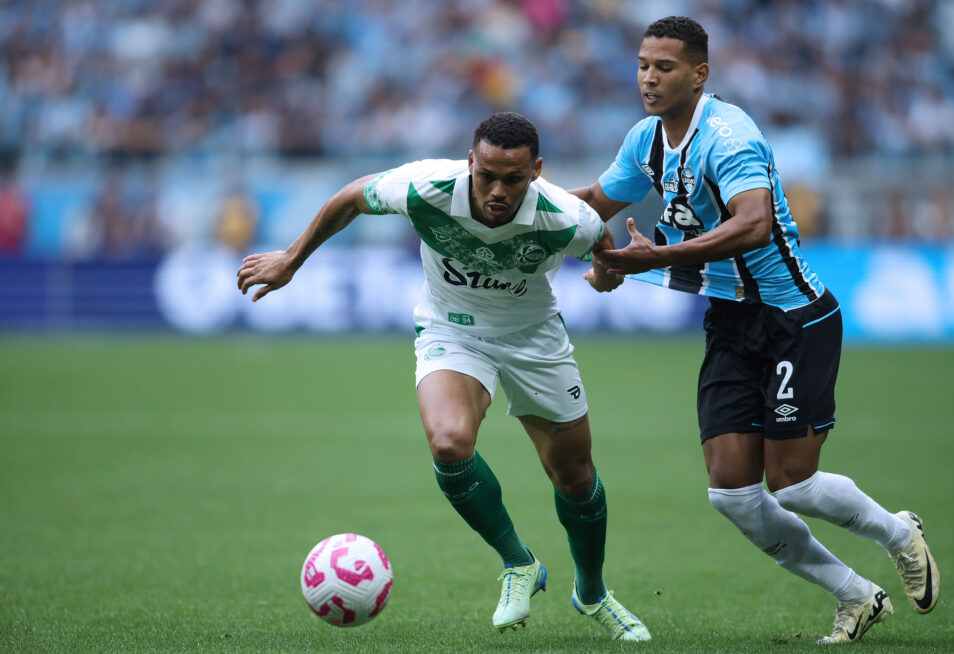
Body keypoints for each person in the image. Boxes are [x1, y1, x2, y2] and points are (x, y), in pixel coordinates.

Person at [572, 17, 940, 644]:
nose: (649, 78)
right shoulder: (646, 141)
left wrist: (650, 258)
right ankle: (855, 595)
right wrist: (527, 218)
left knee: (792, 484)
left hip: (793, 317)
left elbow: (754, 225)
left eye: (664, 67)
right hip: (730, 321)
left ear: (699, 73)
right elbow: (592, 205)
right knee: (733, 494)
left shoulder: (729, 134)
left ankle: (899, 533)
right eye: (642, 65)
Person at [237, 112, 650, 641]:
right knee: (450, 442)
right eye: (487, 176)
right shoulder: (425, 187)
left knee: (575, 476)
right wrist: (292, 260)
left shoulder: (566, 217)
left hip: (534, 338)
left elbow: (602, 250)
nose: (499, 190)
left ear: (537, 171)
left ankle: (592, 594)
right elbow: (350, 198)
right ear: (470, 162)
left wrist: (606, 275)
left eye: (515, 179)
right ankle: (518, 563)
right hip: (451, 328)